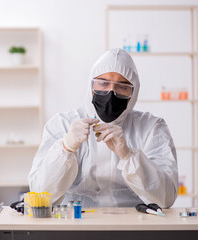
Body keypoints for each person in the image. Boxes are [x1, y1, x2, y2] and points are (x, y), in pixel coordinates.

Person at [28, 48, 178, 208]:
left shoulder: (151, 128)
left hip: (133, 225)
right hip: (74, 223)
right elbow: (39, 194)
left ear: (133, 93)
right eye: (103, 83)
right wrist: (66, 148)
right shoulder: (62, 124)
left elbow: (166, 198)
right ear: (91, 86)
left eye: (122, 87)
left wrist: (128, 156)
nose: (111, 92)